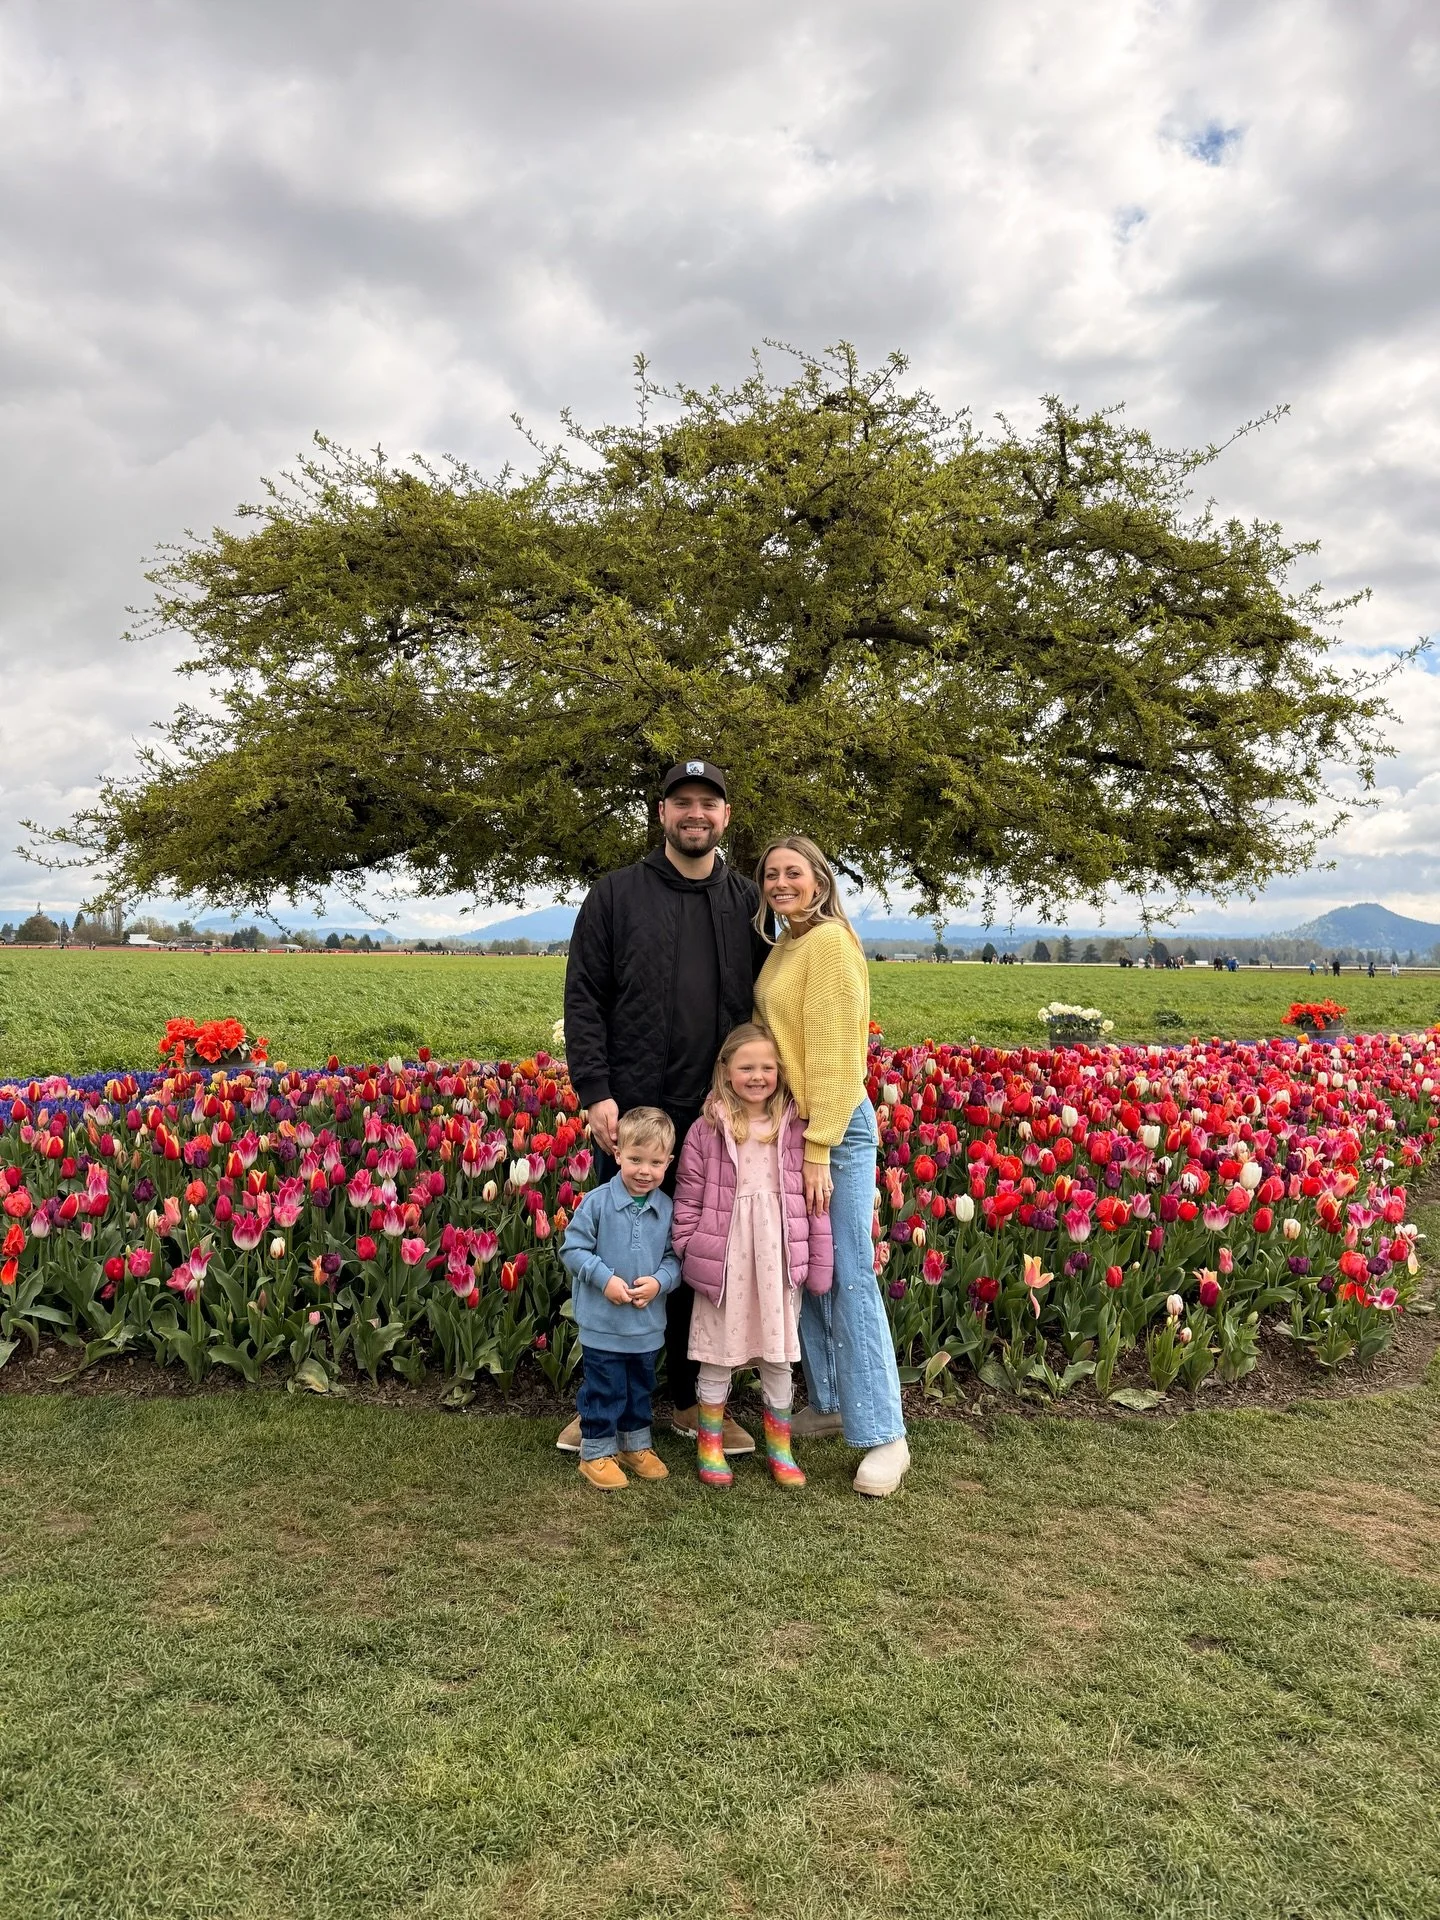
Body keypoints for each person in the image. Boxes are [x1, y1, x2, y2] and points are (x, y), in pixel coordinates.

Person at [558, 759, 769, 1458]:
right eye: (683, 802)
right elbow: (584, 997)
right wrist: (596, 1091)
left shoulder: (747, 904)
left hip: (713, 1118)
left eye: (709, 803)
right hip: (635, 1120)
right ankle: (601, 1408)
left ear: (726, 817)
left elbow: (768, 1005)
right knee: (618, 1256)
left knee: (698, 1263)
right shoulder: (616, 895)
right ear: (662, 813)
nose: (695, 814)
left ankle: (689, 1402)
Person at [752, 836, 910, 1498]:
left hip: (836, 1131)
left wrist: (819, 1146)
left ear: (819, 881)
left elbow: (838, 1057)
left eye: (793, 873)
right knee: (809, 1272)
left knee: (849, 1274)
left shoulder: (830, 945)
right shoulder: (786, 944)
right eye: (771, 874)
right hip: (797, 1127)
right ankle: (833, 1402)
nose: (780, 883)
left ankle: (886, 1434)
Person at [671, 1023, 833, 1490]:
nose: (757, 1076)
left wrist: (818, 1260)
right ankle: (710, 1444)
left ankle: (780, 1448)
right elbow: (688, 1198)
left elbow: (814, 1202)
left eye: (767, 1067)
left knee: (778, 1358)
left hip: (777, 1261)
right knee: (717, 1355)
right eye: (746, 1067)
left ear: (780, 1071)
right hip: (725, 1263)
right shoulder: (706, 1130)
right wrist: (689, 1247)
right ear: (726, 1070)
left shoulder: (795, 1128)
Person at [558, 1107, 682, 1490]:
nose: (645, 1171)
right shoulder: (597, 1202)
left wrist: (659, 1283)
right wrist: (605, 1279)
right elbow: (572, 1250)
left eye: (655, 1163)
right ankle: (595, 1452)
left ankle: (634, 1445)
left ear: (669, 1162)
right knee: (605, 1389)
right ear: (617, 1155)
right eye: (635, 1159)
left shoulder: (666, 1208)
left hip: (646, 1326)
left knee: (640, 1389)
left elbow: (674, 1259)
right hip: (603, 1323)